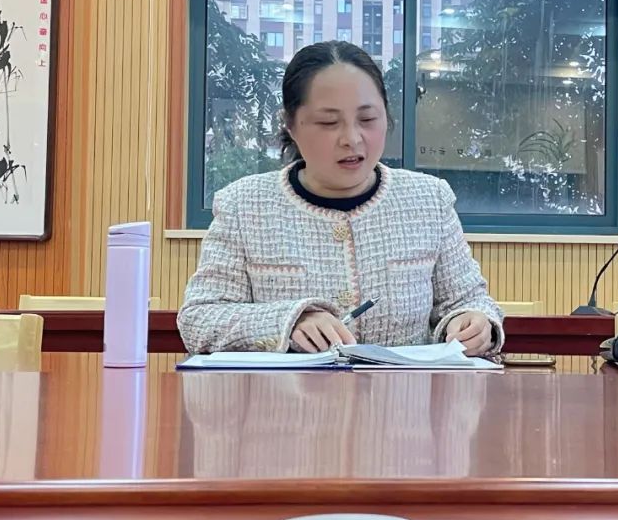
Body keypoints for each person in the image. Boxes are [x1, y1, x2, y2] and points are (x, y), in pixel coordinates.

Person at [178, 40, 503, 356]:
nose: (351, 138)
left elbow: (469, 300)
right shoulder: (243, 205)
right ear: (290, 124)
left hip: (402, 394)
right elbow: (200, 319)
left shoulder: (429, 200)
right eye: (328, 122)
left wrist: (474, 323)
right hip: (286, 394)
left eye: (368, 119)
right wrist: (287, 322)